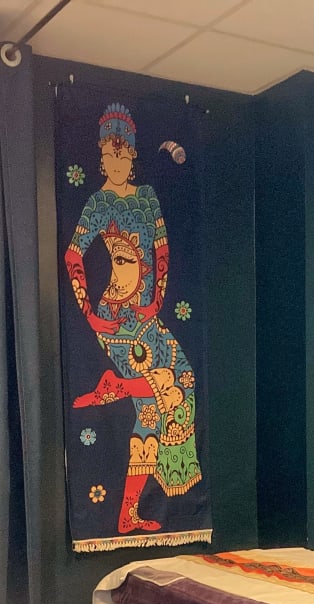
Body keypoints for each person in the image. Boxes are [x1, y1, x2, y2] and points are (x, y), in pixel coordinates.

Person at [64, 103, 201, 534]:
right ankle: (120, 388)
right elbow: (73, 255)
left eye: (123, 155)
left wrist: (156, 301)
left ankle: (127, 514)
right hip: (116, 314)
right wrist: (90, 313)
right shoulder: (99, 203)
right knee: (158, 395)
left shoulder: (146, 198)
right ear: (101, 158)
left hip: (146, 313)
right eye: (109, 155)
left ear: (133, 156)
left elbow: (161, 250)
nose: (116, 163)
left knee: (177, 387)